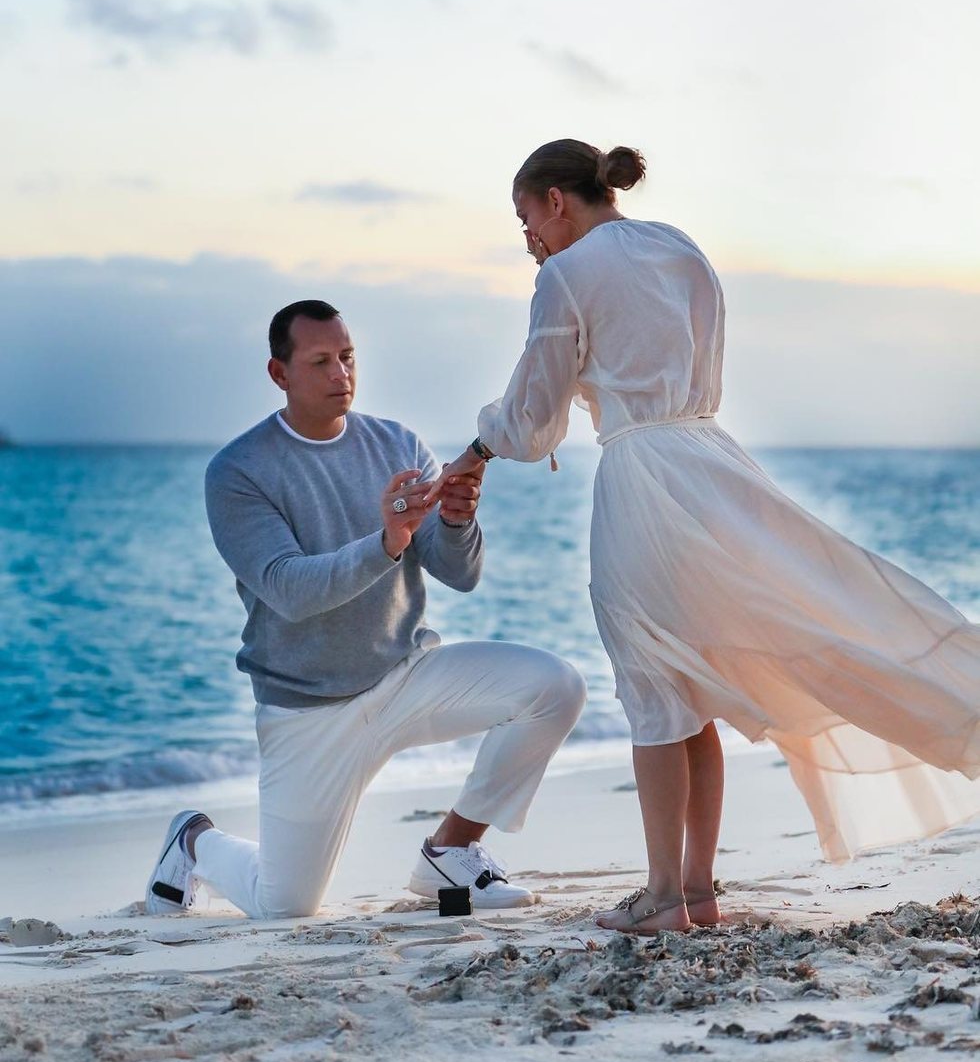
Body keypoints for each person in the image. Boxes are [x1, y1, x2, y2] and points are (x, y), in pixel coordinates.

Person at [430, 138, 980, 934]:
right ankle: (695, 890)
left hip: (643, 480)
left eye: (526, 219)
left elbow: (530, 417)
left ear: (556, 199)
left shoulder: (565, 275)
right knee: (698, 684)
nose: (529, 241)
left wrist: (478, 450)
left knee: (657, 687)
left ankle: (663, 895)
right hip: (713, 462)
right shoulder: (680, 247)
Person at [143, 299, 586, 920]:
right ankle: (194, 839)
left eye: (347, 357)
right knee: (285, 906)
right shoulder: (237, 472)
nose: (340, 374)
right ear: (280, 374)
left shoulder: (397, 442)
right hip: (307, 711)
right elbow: (288, 589)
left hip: (405, 678)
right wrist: (387, 542)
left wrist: (456, 520)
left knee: (556, 687)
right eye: (321, 361)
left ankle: (451, 851)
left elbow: (459, 574)